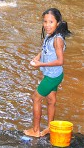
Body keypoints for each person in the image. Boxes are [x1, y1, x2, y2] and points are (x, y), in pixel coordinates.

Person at [24, 8, 70, 138]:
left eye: (51, 22)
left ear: (58, 23)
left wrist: (41, 64)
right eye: (45, 21)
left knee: (36, 98)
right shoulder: (51, 35)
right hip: (54, 74)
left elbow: (60, 61)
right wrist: (38, 57)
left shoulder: (57, 40)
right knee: (51, 100)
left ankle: (36, 130)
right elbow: (45, 49)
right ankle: (50, 128)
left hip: (52, 76)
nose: (47, 25)